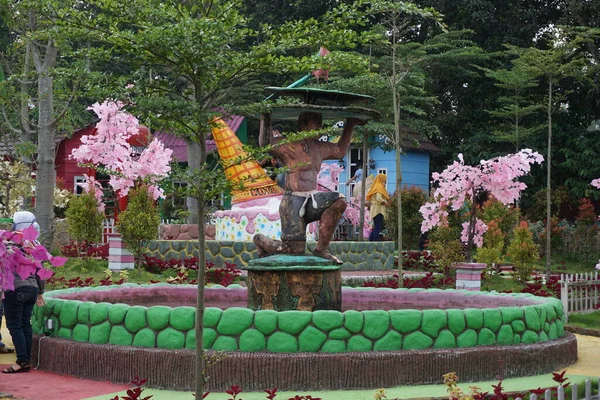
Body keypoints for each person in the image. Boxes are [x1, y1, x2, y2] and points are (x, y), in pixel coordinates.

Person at [254, 112, 364, 264]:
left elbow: (340, 150)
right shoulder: (289, 145)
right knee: (293, 250)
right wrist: (265, 117)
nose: (319, 126)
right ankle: (260, 240)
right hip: (293, 202)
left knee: (339, 201)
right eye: (315, 122)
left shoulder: (319, 148)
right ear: (303, 124)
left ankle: (321, 249)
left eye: (320, 122)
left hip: (312, 199)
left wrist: (350, 124)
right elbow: (266, 143)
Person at [2, 211, 45, 374]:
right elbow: (40, 270)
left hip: (15, 289)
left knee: (14, 325)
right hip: (32, 289)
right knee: (25, 324)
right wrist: (40, 292)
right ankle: (26, 359)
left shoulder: (8, 243)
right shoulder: (34, 244)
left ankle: (22, 361)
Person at [366, 173, 390, 242]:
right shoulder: (379, 187)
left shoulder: (375, 187)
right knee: (377, 227)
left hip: (374, 209)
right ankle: (376, 242)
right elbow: (379, 199)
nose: (385, 182)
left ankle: (371, 241)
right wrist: (386, 203)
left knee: (376, 226)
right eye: (384, 181)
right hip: (378, 210)